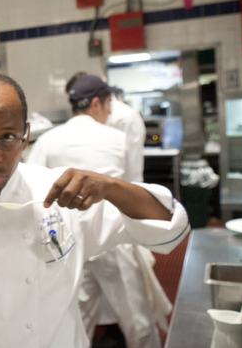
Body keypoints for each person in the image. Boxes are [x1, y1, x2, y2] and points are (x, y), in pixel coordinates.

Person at [0, 72, 189, 348]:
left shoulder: (60, 194)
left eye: (8, 137)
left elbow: (168, 226)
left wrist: (111, 187)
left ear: (26, 136)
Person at [25, 73, 169, 348]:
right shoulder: (117, 138)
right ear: (95, 104)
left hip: (65, 240)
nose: (110, 111)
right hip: (112, 238)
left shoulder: (48, 140)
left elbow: (33, 187)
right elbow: (132, 189)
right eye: (108, 104)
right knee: (136, 317)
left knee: (77, 317)